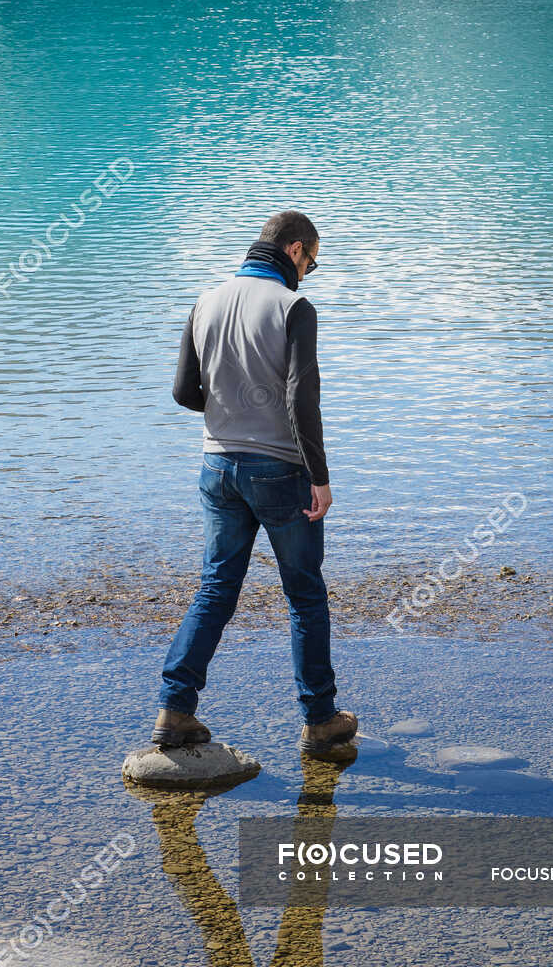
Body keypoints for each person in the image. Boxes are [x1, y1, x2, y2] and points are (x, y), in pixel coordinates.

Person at [153, 210, 356, 756]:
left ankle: (175, 711)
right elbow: (300, 399)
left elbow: (182, 392)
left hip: (216, 467)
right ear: (294, 251)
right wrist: (320, 476)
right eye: (311, 263)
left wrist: (228, 410)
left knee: (216, 588)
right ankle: (319, 720)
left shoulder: (206, 301)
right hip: (281, 470)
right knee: (305, 595)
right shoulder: (294, 307)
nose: (309, 273)